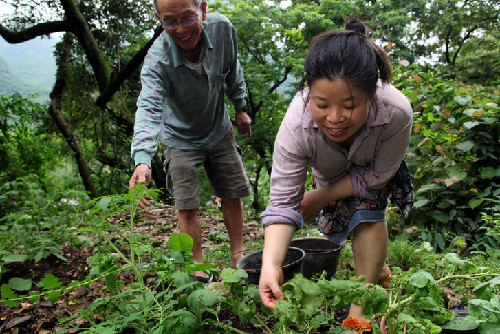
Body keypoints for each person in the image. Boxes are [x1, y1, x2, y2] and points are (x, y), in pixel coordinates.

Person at [258, 20, 413, 332]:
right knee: (347, 225)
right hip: (329, 172)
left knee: (367, 211)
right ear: (308, 94)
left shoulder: (396, 112)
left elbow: (376, 177)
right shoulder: (296, 125)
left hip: (374, 173)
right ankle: (375, 269)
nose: (335, 118)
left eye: (349, 105)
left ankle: (359, 316)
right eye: (321, 104)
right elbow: (283, 203)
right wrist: (270, 264)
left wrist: (320, 196)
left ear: (372, 95)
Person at [129, 0, 252, 281]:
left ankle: (238, 258)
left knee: (232, 192)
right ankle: (198, 270)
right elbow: (148, 108)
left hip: (218, 127)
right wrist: (143, 160)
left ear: (203, 10)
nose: (181, 29)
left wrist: (240, 107)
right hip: (179, 136)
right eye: (170, 21)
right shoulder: (157, 60)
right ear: (159, 19)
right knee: (186, 202)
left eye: (187, 18)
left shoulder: (222, 30)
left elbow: (233, 67)